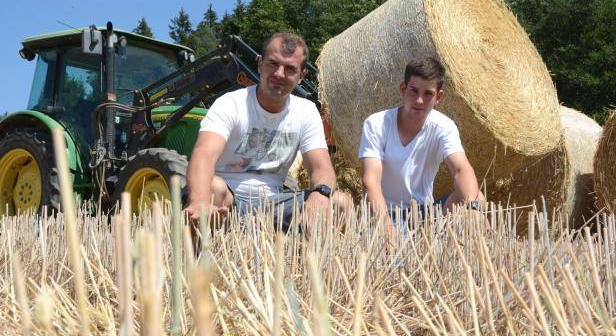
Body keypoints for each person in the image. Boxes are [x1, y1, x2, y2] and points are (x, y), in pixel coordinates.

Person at [185, 33, 349, 231]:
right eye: (273, 64)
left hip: (274, 203)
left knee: (339, 203)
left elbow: (321, 168)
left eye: (290, 69)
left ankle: (306, 262)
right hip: (227, 199)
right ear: (260, 64)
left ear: (301, 76)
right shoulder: (230, 103)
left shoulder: (306, 111)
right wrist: (200, 201)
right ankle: (199, 259)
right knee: (214, 189)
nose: (279, 74)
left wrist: (320, 194)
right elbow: (204, 154)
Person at [358, 57, 484, 226]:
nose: (419, 100)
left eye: (428, 94)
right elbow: (370, 181)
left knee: (477, 198)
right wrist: (385, 226)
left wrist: (472, 208)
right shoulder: (376, 124)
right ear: (403, 89)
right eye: (413, 91)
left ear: (438, 97)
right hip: (383, 212)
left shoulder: (444, 127)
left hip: (425, 215)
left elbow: (461, 169)